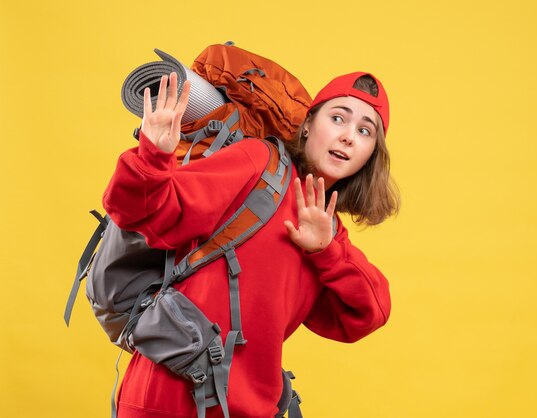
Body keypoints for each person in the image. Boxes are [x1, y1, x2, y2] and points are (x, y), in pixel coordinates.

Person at [103, 69, 400, 418]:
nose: (349, 137)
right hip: (169, 399)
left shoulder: (325, 229)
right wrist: (153, 156)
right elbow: (145, 215)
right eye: (338, 118)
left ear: (370, 154)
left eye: (365, 131)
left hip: (249, 408)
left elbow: (367, 315)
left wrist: (326, 252)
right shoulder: (259, 163)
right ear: (308, 125)